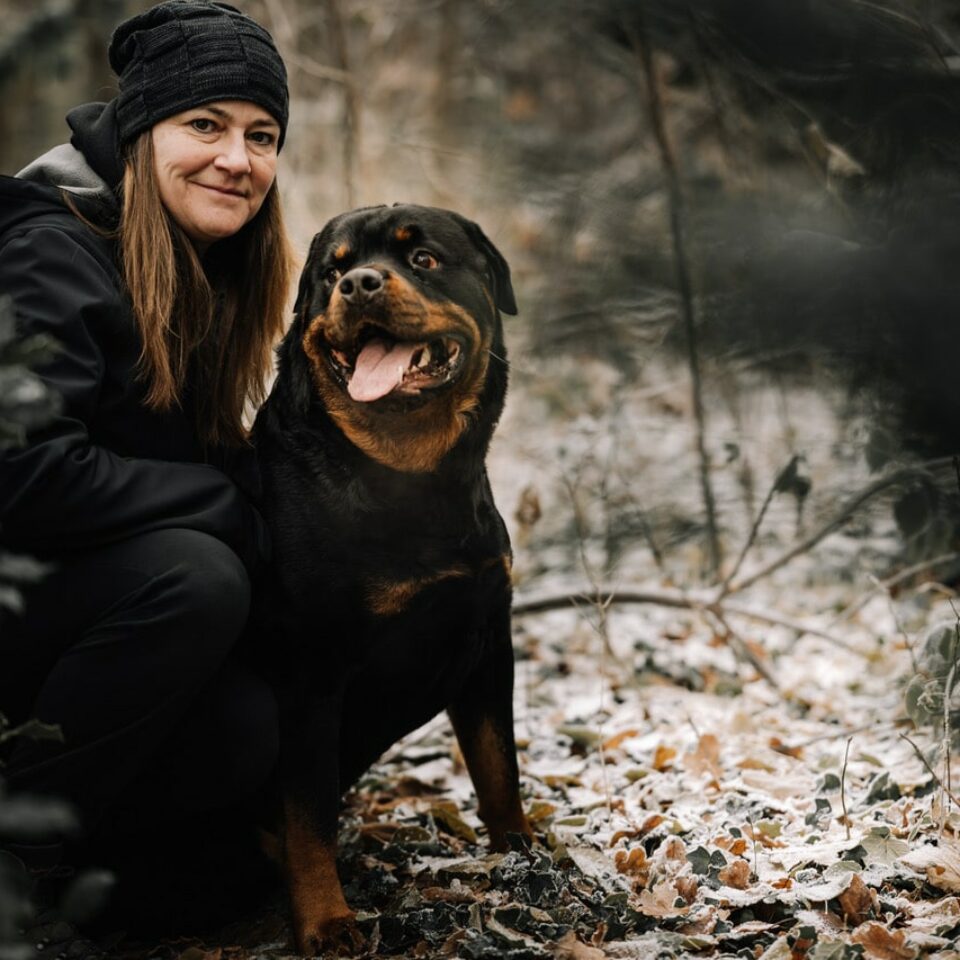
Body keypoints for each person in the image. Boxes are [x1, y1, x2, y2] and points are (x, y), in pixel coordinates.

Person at [0, 0, 295, 938]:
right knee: (195, 576)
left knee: (245, 726)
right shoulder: (50, 250)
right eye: (203, 125)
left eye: (261, 134)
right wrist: (220, 504)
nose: (236, 159)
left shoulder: (192, 260)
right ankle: (16, 858)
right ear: (139, 134)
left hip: (63, 610)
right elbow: (22, 475)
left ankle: (89, 864)